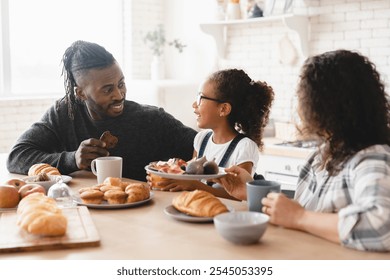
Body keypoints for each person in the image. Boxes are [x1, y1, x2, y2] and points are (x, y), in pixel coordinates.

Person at [217, 50, 390, 251]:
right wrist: (252, 191)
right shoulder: (320, 157)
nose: (299, 105)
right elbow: (305, 213)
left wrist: (299, 217)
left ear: (326, 104)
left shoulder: (372, 158)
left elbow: (382, 225)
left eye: (303, 95)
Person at [6, 40, 196, 181]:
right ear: (80, 93)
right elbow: (17, 156)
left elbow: (205, 147)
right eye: (107, 89)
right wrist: (72, 159)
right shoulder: (64, 113)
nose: (119, 94)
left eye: (121, 84)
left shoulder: (151, 119)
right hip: (82, 210)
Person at [148, 69, 274, 199]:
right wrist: (166, 173)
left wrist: (193, 185)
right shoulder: (201, 139)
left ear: (223, 109)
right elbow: (190, 175)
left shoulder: (244, 147)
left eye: (200, 98)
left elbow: (238, 195)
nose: (194, 104)